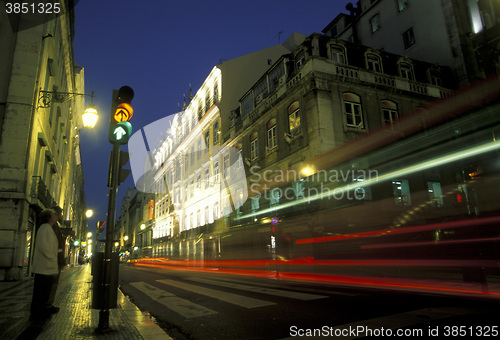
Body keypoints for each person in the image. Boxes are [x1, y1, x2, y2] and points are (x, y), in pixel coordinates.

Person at [30, 209, 60, 321]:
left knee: (44, 291)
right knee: (40, 292)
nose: (56, 215)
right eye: (53, 214)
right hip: (43, 266)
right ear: (48, 217)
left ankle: (42, 311)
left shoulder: (48, 228)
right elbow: (43, 246)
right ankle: (37, 314)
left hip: (47, 267)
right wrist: (52, 256)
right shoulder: (44, 228)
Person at [47, 206, 66, 312]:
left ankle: (49, 303)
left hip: (55, 259)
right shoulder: (51, 227)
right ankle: (47, 304)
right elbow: (55, 243)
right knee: (52, 283)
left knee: (53, 283)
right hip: (54, 259)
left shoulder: (55, 226)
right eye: (59, 214)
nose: (60, 216)